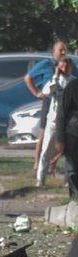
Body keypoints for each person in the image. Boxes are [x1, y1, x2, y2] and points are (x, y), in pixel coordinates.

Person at [28, 41, 78, 177]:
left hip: (68, 105)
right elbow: (28, 78)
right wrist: (37, 93)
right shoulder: (47, 64)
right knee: (45, 134)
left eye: (65, 50)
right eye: (61, 50)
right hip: (50, 101)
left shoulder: (70, 64)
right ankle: (37, 166)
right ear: (54, 51)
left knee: (65, 137)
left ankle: (54, 166)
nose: (63, 52)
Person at [37, 57, 75, 187]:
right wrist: (55, 77)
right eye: (62, 67)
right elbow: (46, 92)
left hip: (69, 122)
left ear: (71, 68)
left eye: (67, 67)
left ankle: (68, 180)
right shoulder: (55, 81)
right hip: (54, 120)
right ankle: (41, 179)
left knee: (70, 152)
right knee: (47, 149)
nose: (64, 70)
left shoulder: (74, 82)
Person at [55, 71, 78, 200]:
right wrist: (60, 138)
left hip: (72, 130)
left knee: (73, 168)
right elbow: (62, 112)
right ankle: (74, 198)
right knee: (72, 167)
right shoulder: (73, 86)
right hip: (72, 132)